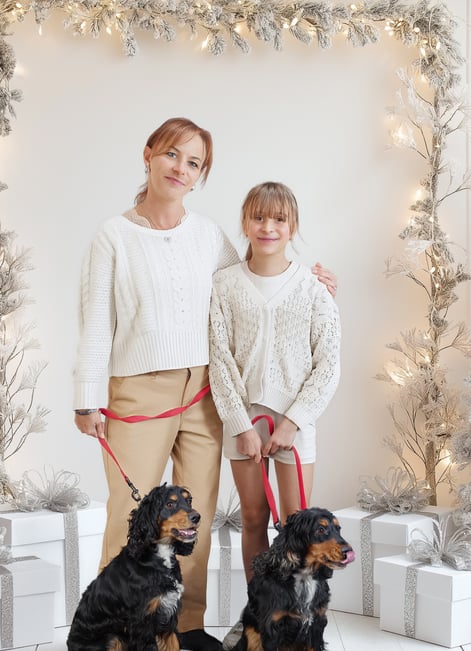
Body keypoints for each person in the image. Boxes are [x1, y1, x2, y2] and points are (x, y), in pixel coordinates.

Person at [73, 119, 336, 651]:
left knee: (195, 516)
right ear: (148, 155)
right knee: (134, 516)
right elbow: (96, 321)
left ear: (200, 176)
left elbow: (253, 288)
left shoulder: (209, 235)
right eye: (172, 155)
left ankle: (184, 627)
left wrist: (316, 284)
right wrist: (86, 396)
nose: (180, 168)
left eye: (194, 163)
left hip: (205, 391)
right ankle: (118, 629)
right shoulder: (113, 236)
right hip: (138, 390)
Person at [207, 181, 341, 649]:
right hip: (243, 422)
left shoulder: (313, 289)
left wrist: (292, 422)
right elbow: (219, 359)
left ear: (293, 227)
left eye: (279, 219)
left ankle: (304, 618)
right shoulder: (224, 285)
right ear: (245, 222)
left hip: (294, 425)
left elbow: (328, 364)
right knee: (252, 519)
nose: (268, 227)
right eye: (259, 218)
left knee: (296, 521)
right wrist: (240, 425)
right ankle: (261, 615)